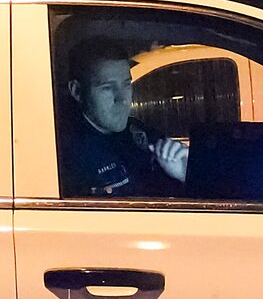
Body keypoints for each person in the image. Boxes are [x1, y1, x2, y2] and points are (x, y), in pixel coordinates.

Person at [58, 38, 190, 197]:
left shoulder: (138, 133)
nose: (123, 98)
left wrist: (185, 174)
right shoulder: (63, 156)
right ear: (77, 91)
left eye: (127, 84)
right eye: (107, 88)